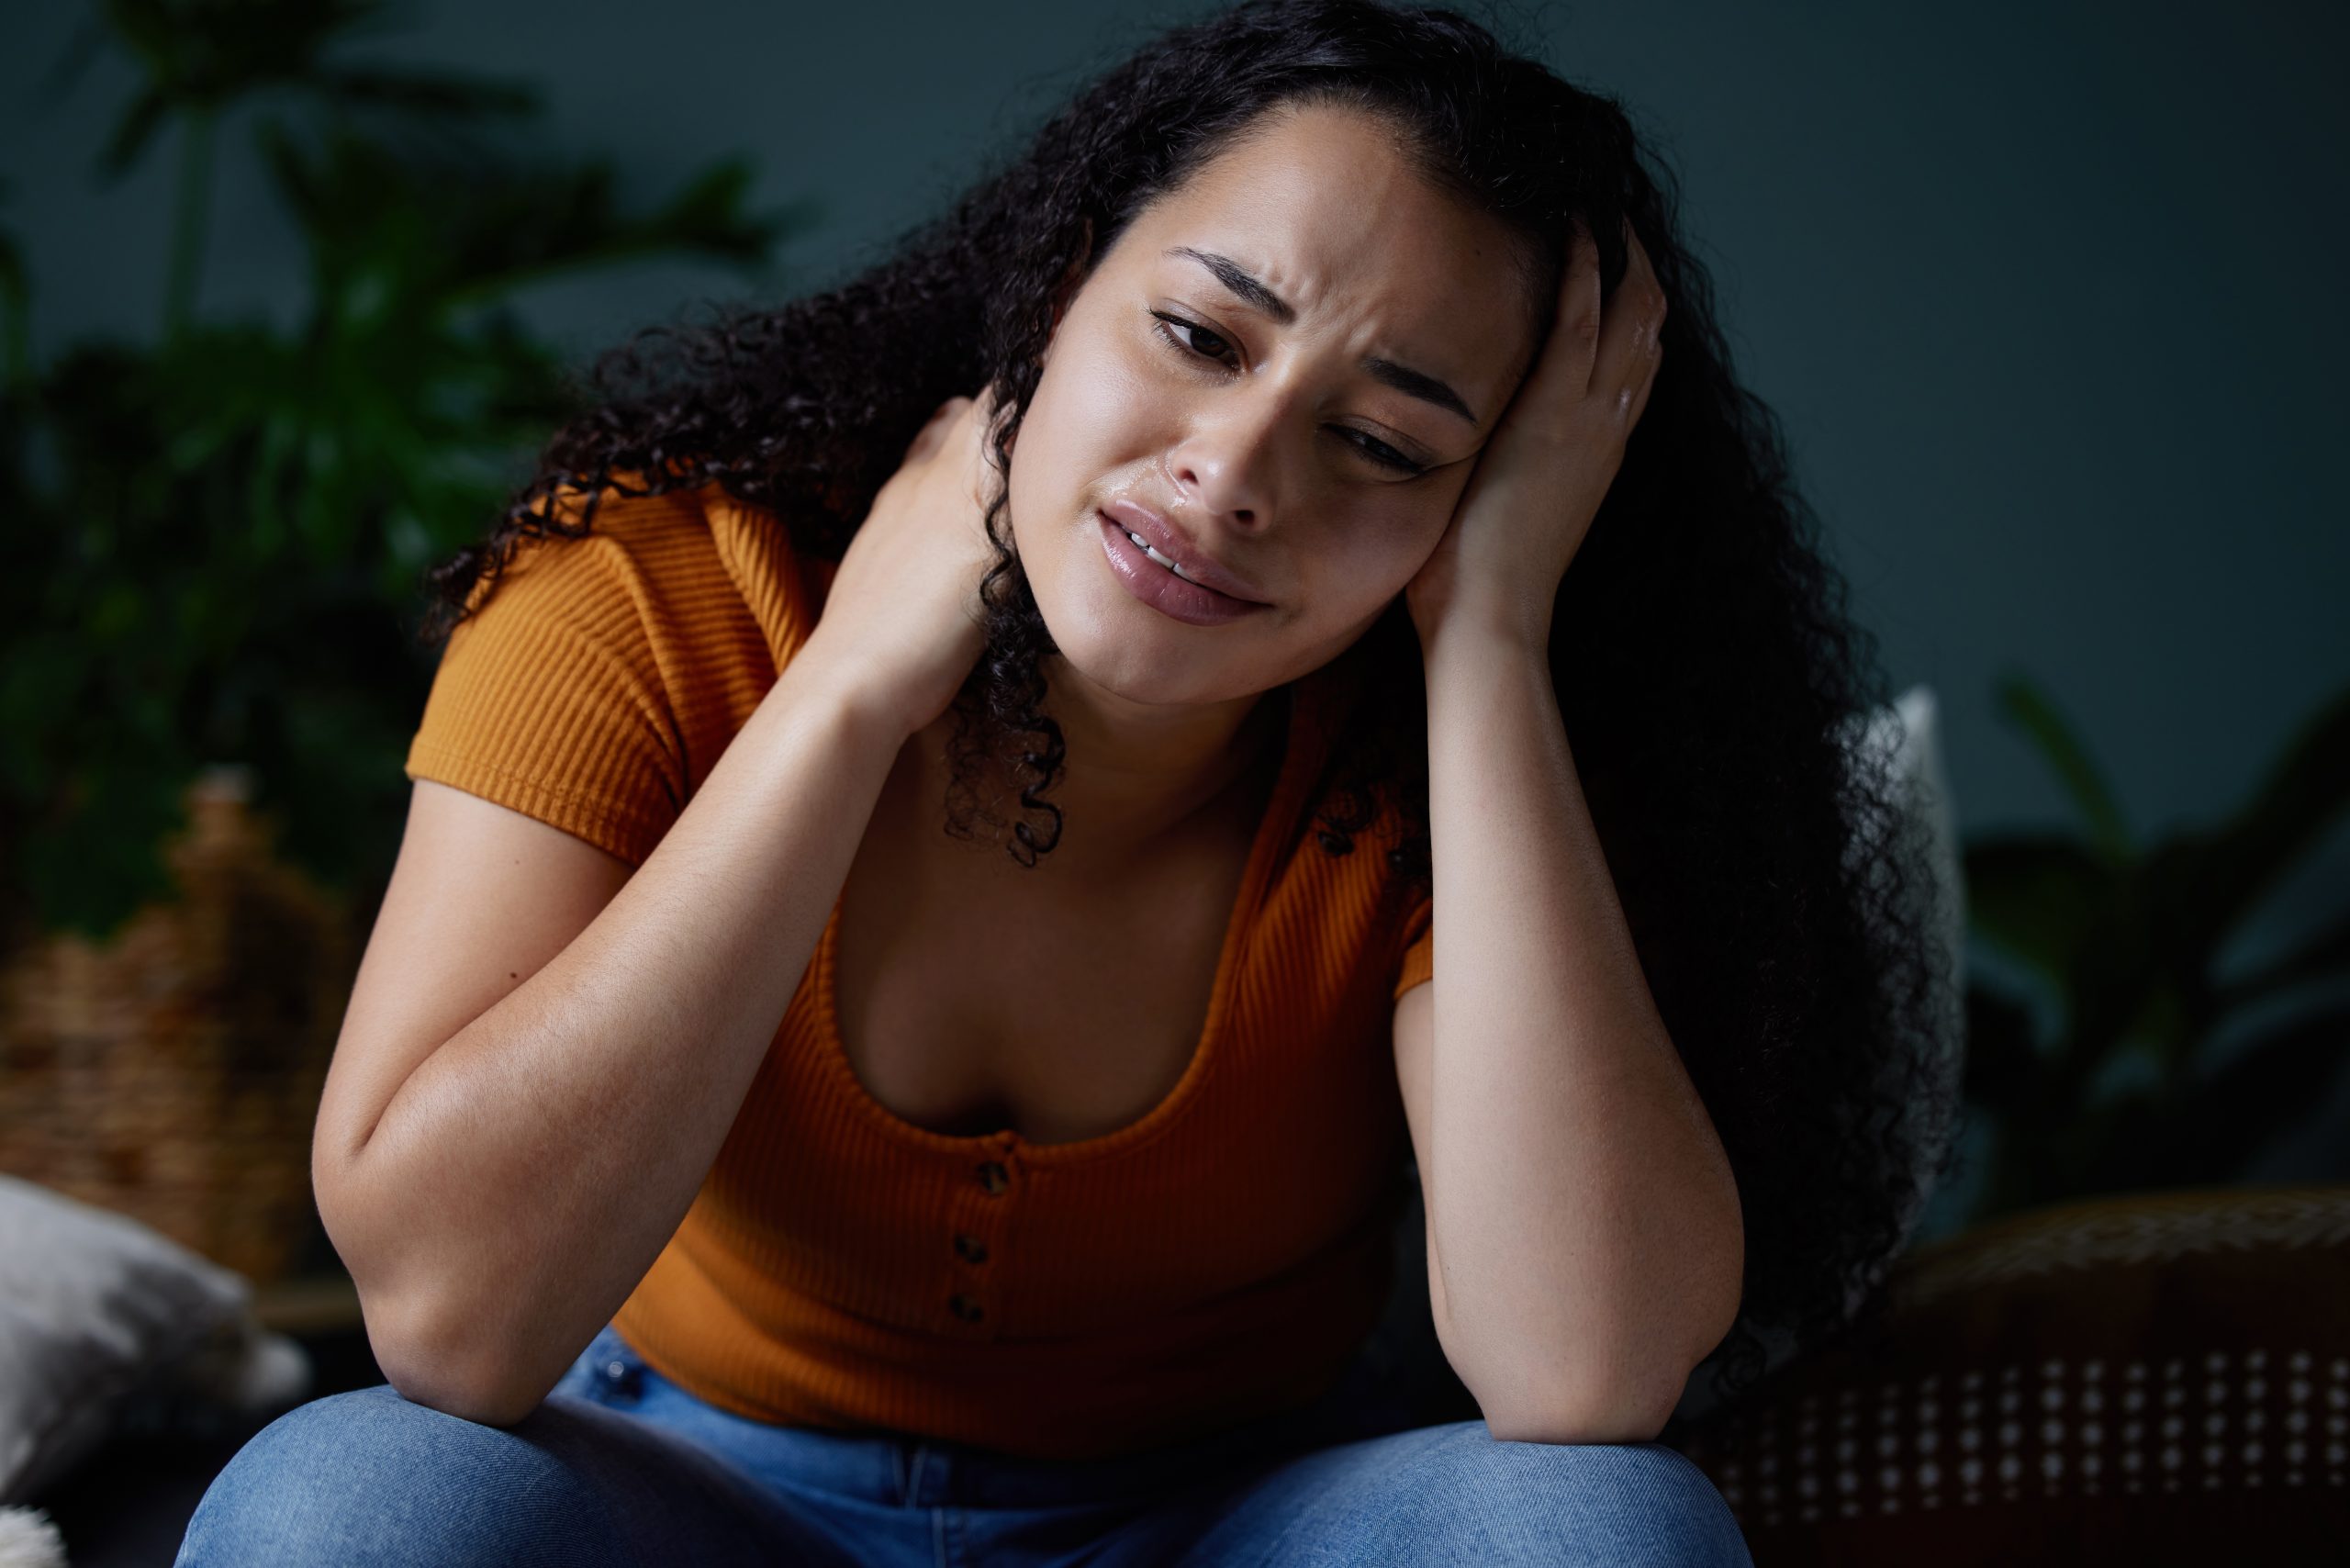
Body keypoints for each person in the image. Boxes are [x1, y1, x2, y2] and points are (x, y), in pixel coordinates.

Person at [178, 0, 1953, 1562]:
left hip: (1224, 1520)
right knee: (345, 1511)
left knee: (1600, 1537)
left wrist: (1487, 640)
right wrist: (852, 690)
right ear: (1059, 274)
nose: (1238, 473)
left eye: (1386, 442)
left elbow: (1586, 1371)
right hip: (674, 1491)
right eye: (1201, 334)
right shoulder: (646, 600)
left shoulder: (1448, 756)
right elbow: (447, 1328)